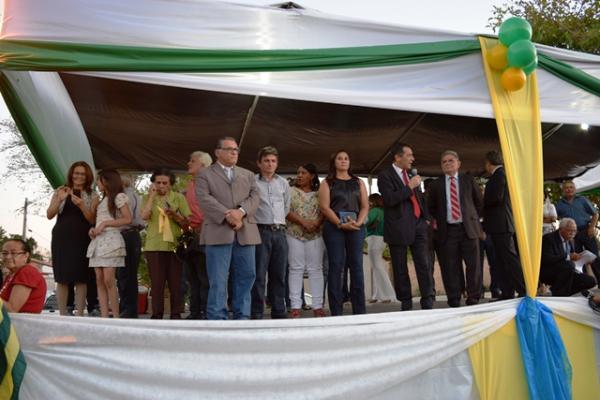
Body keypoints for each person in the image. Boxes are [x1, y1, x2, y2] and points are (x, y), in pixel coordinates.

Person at [196, 137, 260, 320]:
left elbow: (255, 197)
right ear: (217, 152)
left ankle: (243, 317)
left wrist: (240, 212)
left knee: (247, 276)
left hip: (245, 232)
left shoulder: (247, 174)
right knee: (218, 279)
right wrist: (229, 215)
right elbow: (204, 198)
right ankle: (217, 319)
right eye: (230, 149)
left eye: (236, 150)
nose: (234, 152)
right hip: (218, 232)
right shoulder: (204, 174)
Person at [377, 143, 434, 311]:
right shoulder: (385, 176)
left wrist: (426, 217)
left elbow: (420, 198)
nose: (413, 159)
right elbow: (389, 199)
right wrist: (409, 186)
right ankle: (406, 303)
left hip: (418, 224)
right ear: (397, 157)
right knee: (400, 267)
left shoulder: (411, 174)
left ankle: (428, 300)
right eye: (409, 155)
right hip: (398, 226)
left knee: (424, 264)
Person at [427, 150, 483, 307]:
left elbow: (479, 202)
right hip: (448, 231)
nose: (447, 163)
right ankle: (454, 297)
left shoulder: (468, 180)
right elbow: (430, 208)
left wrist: (473, 220)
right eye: (444, 162)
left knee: (473, 265)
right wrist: (435, 222)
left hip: (468, 229)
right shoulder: (436, 184)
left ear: (458, 163)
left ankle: (473, 297)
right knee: (450, 266)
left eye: (450, 160)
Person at [319, 150, 368, 316]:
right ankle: (336, 311)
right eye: (340, 158)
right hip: (334, 228)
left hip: (356, 227)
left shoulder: (359, 182)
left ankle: (360, 311)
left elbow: (365, 206)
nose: (343, 161)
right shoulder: (327, 182)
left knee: (357, 267)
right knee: (336, 267)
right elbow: (324, 207)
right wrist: (340, 223)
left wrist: (358, 223)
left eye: (346, 158)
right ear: (334, 162)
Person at [47, 161, 99, 316]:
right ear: (71, 174)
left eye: (82, 174)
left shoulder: (93, 195)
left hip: (82, 238)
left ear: (87, 176)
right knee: (62, 277)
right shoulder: (60, 190)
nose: (79, 176)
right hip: (61, 237)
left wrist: (82, 205)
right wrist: (59, 200)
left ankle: (80, 314)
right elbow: (49, 214)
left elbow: (92, 220)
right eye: (76, 173)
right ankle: (63, 313)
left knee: (81, 277)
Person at [142, 168, 191, 319]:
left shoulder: (178, 198)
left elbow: (187, 223)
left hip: (174, 245)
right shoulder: (148, 197)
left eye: (165, 183)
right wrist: (151, 197)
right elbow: (144, 216)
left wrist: (175, 215)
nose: (161, 185)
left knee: (176, 282)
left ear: (170, 184)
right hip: (154, 245)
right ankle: (157, 314)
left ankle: (176, 314)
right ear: (153, 184)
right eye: (158, 182)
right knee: (157, 283)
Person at [251, 146, 291, 319]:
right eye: (266, 161)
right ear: (259, 163)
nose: (270, 164)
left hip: (280, 232)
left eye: (273, 161)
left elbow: (287, 206)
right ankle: (257, 312)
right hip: (261, 231)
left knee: (279, 274)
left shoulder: (283, 183)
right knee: (259, 274)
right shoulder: (252, 181)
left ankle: (278, 310)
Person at [87, 169, 132, 318]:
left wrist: (106, 224)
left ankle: (116, 316)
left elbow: (127, 219)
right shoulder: (101, 200)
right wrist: (93, 229)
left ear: (106, 181)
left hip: (112, 241)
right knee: (99, 280)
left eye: (99, 180)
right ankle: (104, 316)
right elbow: (98, 221)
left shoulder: (119, 197)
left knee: (108, 280)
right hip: (98, 242)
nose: (97, 184)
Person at [483, 150, 525, 299]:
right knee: (501, 261)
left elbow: (496, 198)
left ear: (489, 162)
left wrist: (483, 200)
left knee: (509, 259)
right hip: (500, 225)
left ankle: (524, 289)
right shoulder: (503, 175)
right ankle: (507, 292)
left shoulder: (499, 176)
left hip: (501, 224)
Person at [286, 164, 326, 317]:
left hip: (315, 235)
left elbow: (325, 208)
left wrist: (316, 223)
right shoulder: (290, 191)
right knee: (296, 268)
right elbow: (285, 210)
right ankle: (295, 306)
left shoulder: (319, 193)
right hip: (294, 233)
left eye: (304, 173)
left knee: (316, 269)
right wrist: (303, 222)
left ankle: (317, 306)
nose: (300, 175)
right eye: (298, 173)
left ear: (312, 176)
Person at [183, 151, 213, 319]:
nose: (188, 163)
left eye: (192, 161)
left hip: (205, 234)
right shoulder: (190, 185)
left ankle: (207, 312)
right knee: (192, 276)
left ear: (202, 165)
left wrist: (203, 225)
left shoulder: (210, 184)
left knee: (204, 277)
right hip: (189, 235)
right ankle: (194, 312)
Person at [555, 180, 600, 281]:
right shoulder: (559, 204)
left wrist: (592, 227)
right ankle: (583, 283)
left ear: (575, 189)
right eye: (566, 188)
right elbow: (555, 218)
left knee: (594, 257)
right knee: (578, 259)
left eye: (571, 187)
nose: (569, 189)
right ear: (563, 190)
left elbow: (595, 214)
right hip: (571, 235)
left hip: (586, 230)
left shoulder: (582, 200)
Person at [540, 218, 596, 296]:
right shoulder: (549, 239)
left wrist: (582, 260)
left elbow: (571, 258)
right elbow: (546, 258)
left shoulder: (571, 240)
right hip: (549, 271)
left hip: (568, 270)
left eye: (575, 231)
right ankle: (560, 294)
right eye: (570, 230)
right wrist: (568, 257)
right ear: (561, 229)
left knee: (590, 281)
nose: (573, 233)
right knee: (569, 265)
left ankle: (559, 292)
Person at [118, 174, 144, 318]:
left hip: (127, 234)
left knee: (126, 275)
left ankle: (128, 310)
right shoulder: (134, 195)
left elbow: (125, 219)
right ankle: (127, 308)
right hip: (131, 235)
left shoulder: (125, 197)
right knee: (126, 275)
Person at [0, 239, 47, 313]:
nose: (8, 257)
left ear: (26, 256)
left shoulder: (27, 272)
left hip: (19, 323)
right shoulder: (12, 275)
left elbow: (12, 309)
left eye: (13, 253)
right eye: (4, 253)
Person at [366, 193, 396, 304]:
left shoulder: (374, 211)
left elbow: (365, 221)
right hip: (381, 239)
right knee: (377, 267)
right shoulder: (383, 211)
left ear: (372, 201)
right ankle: (378, 295)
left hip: (374, 239)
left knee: (377, 267)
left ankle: (387, 294)